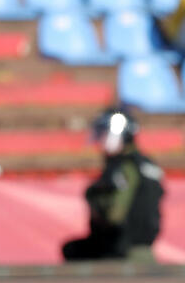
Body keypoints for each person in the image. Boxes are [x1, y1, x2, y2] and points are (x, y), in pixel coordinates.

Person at [62, 107, 164, 262]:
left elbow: (115, 215)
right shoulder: (146, 164)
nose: (101, 140)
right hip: (142, 250)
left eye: (104, 133)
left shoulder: (125, 168)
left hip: (123, 252)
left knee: (72, 251)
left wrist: (95, 197)